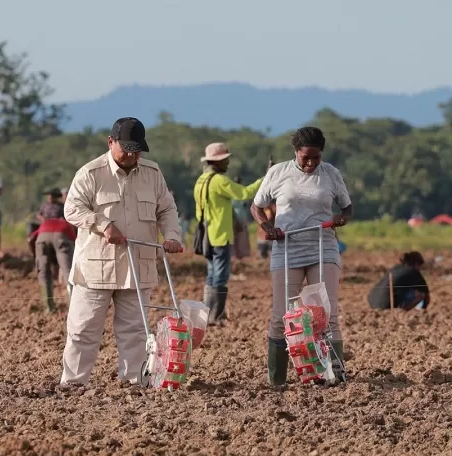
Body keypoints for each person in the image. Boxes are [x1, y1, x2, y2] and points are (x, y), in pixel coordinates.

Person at [59, 117, 182, 387]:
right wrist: (103, 225)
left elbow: (167, 210)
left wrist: (172, 235)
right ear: (110, 142)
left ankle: (133, 384)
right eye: (126, 148)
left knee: (135, 332)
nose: (131, 155)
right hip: (96, 269)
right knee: (83, 330)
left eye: (137, 149)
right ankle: (73, 385)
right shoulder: (90, 173)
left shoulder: (152, 173)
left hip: (138, 268)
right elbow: (72, 209)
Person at [251, 126, 353, 387]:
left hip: (323, 246)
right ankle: (277, 380)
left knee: (326, 314)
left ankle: (335, 375)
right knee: (281, 316)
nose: (310, 163)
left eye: (316, 158)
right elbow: (257, 206)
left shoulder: (330, 174)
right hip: (287, 248)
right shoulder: (279, 173)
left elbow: (347, 206)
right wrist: (267, 228)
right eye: (305, 157)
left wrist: (341, 219)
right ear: (295, 152)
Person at [193, 142, 263, 324]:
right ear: (217, 162)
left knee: (211, 274)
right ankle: (216, 315)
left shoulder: (200, 181)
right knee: (221, 276)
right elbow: (245, 193)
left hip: (206, 236)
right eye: (226, 160)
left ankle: (208, 314)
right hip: (221, 235)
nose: (228, 164)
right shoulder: (219, 181)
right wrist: (267, 178)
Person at [32, 187, 75, 313]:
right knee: (68, 271)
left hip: (43, 235)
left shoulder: (61, 207)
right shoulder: (59, 207)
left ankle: (48, 308)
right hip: (61, 234)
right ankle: (73, 307)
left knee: (43, 271)